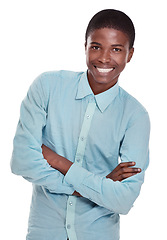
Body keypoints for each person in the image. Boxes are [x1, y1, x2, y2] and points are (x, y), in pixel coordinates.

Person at [11, 9, 150, 240]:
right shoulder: (47, 87)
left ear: (130, 54)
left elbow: (124, 200)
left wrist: (59, 162)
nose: (104, 58)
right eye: (96, 46)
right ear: (84, 46)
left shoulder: (135, 116)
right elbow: (22, 162)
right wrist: (99, 186)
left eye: (116, 49)